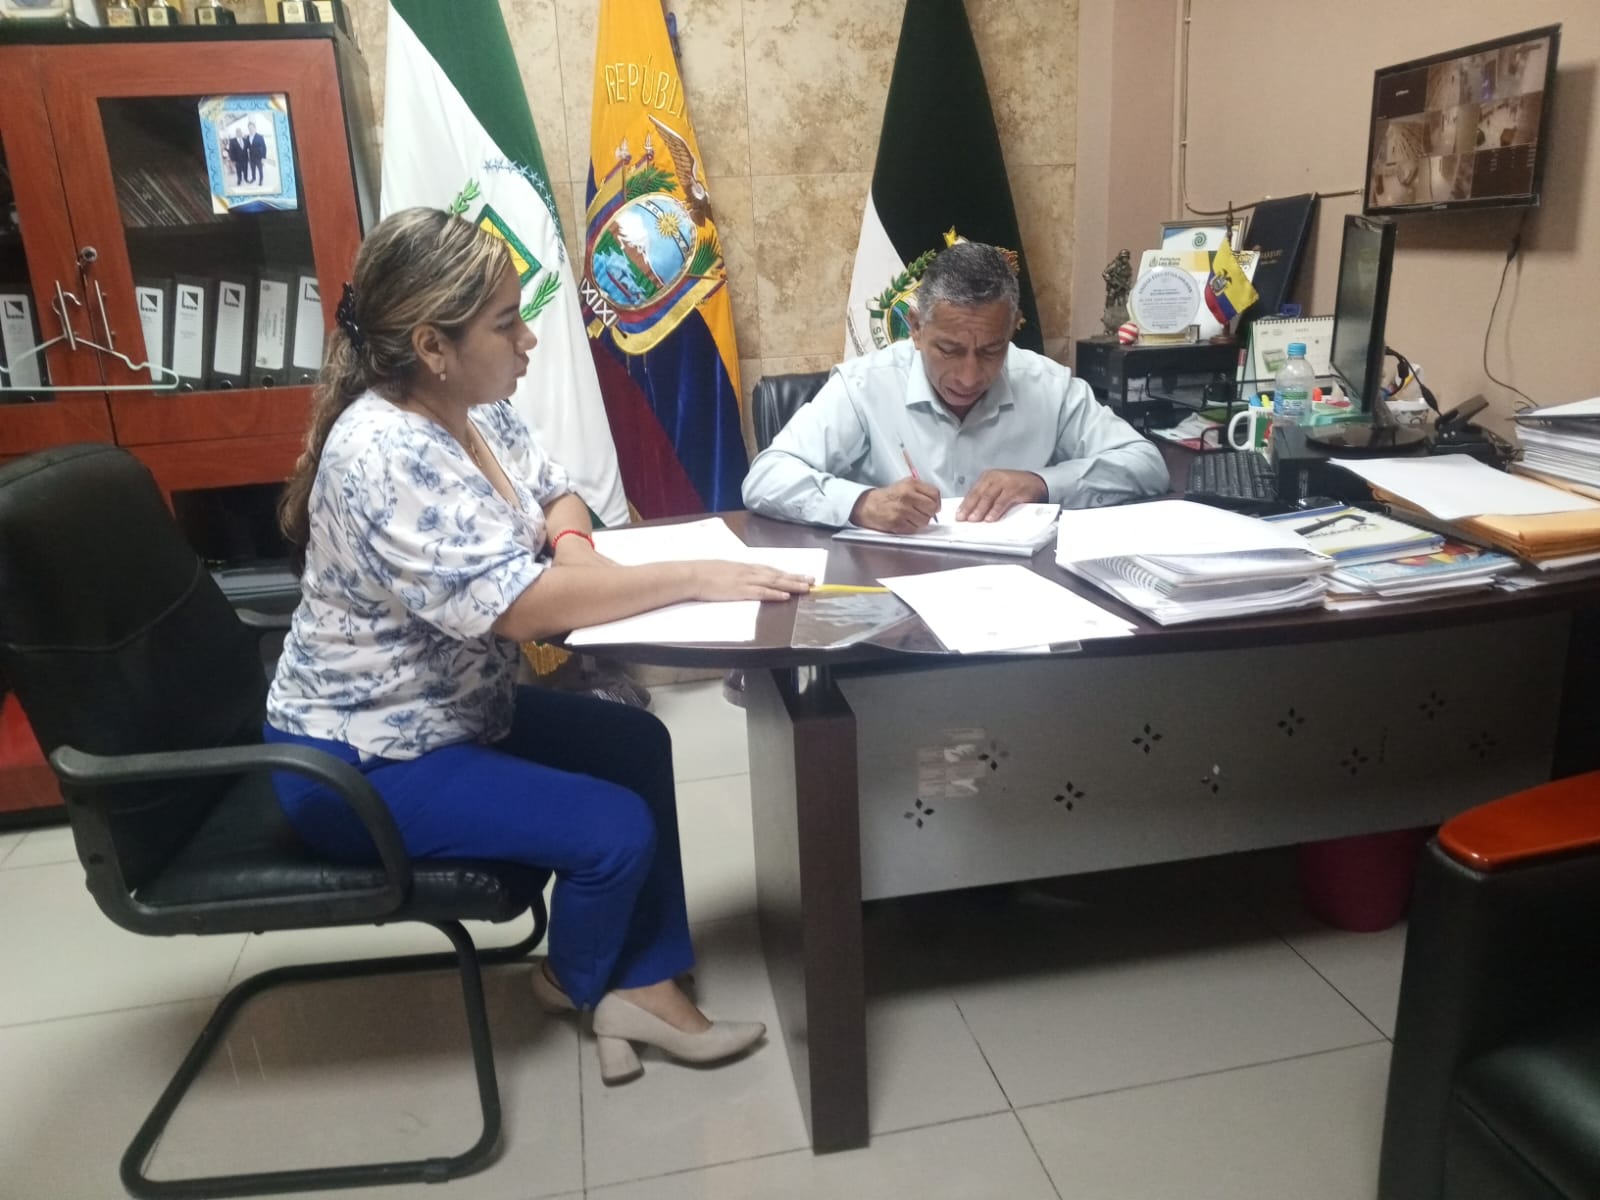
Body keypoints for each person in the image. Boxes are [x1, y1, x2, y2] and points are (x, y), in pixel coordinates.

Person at [264, 207, 811, 1085]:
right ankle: (574, 979)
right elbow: (522, 612)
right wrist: (695, 576)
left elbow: (560, 493)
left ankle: (643, 978)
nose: (528, 340)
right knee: (615, 832)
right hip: (361, 761)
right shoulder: (386, 452)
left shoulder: (473, 410)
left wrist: (575, 548)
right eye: (506, 322)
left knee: (635, 742)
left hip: (453, 712)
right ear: (432, 346)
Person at [741, 240, 1168, 533]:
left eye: (991, 350)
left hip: (1015, 594)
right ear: (916, 328)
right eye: (949, 350)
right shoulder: (865, 386)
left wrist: (1042, 483)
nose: (969, 376)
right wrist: (861, 503)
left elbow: (1146, 465)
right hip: (894, 589)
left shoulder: (1047, 385)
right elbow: (766, 478)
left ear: (1012, 331)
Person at [246, 119, 266, 185]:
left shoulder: (260, 137)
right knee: (253, 169)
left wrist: (263, 158)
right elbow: (247, 147)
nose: (250, 129)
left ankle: (261, 180)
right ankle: (253, 178)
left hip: (259, 157)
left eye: (251, 128)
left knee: (260, 170)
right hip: (251, 157)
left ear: (254, 128)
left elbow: (264, 147)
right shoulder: (247, 137)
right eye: (249, 128)